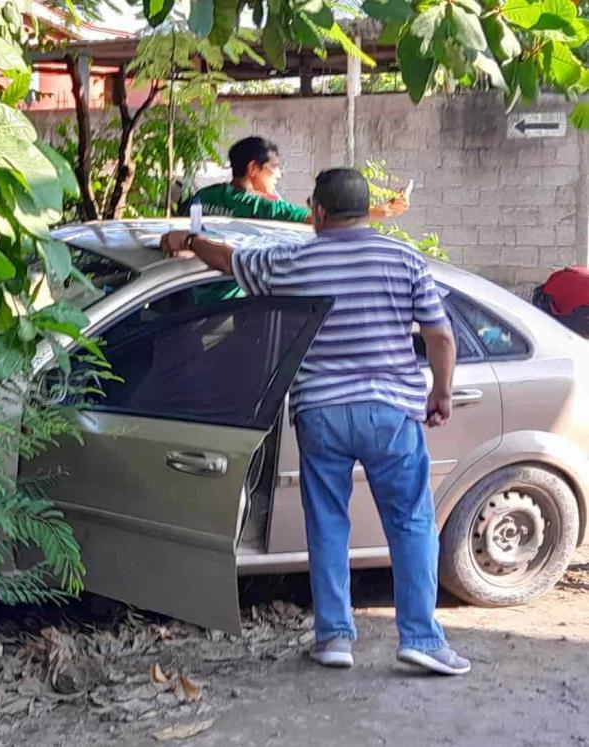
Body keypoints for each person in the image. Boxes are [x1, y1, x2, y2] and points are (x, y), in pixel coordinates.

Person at [161, 168, 470, 677]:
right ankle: (420, 638)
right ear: (366, 210)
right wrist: (441, 393)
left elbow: (229, 261)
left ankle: (333, 637)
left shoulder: (293, 258)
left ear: (319, 213)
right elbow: (439, 336)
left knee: (328, 520)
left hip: (321, 412)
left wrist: (190, 239)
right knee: (412, 521)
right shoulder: (404, 258)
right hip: (390, 411)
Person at [179, 136, 409, 224]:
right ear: (253, 169)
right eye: (274, 168)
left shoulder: (201, 198)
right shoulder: (263, 207)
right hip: (232, 304)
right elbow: (320, 220)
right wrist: (381, 211)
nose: (279, 175)